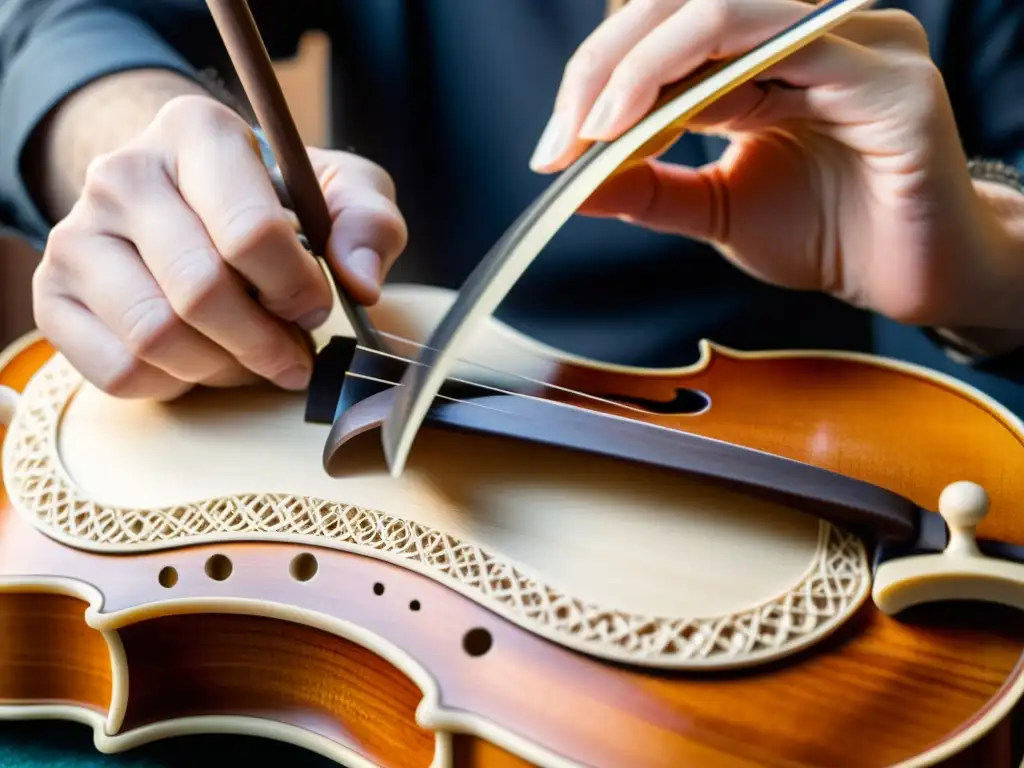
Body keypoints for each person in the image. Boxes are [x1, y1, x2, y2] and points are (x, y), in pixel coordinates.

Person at [1, 0, 1023, 417]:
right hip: (409, 422)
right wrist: (148, 148)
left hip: (825, 468)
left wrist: (984, 268)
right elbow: (54, 21)